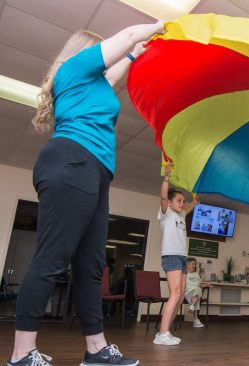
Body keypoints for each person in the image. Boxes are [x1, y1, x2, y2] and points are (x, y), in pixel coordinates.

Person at [8, 21, 165, 366]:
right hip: (71, 160)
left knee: (91, 265)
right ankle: (21, 354)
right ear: (86, 52)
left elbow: (113, 74)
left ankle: (96, 350)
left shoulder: (93, 84)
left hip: (95, 172)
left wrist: (135, 56)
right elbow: (125, 37)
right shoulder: (75, 67)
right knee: (52, 258)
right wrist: (155, 27)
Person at [154, 163, 199, 345]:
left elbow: (191, 207)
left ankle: (165, 332)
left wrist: (195, 199)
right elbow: (163, 196)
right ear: (171, 203)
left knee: (180, 296)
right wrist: (167, 178)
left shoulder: (180, 216)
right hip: (171, 255)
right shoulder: (166, 214)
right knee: (176, 293)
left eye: (183, 200)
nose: (182, 203)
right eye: (179, 200)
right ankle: (163, 333)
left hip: (181, 257)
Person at [185, 257, 211, 328]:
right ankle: (196, 321)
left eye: (195, 264)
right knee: (197, 294)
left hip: (196, 293)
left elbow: (200, 285)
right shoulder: (185, 274)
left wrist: (206, 285)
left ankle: (192, 306)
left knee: (198, 289)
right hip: (189, 293)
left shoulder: (196, 274)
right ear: (188, 265)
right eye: (193, 264)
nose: (194, 265)